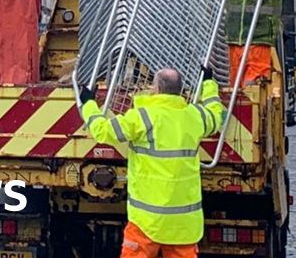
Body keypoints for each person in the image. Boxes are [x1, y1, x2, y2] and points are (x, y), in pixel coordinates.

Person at [78, 68, 224, 258]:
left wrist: (88, 104)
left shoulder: (142, 117)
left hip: (146, 222)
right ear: (180, 91)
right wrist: (208, 84)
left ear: (157, 89)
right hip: (184, 224)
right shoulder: (195, 116)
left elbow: (102, 131)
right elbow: (215, 113)